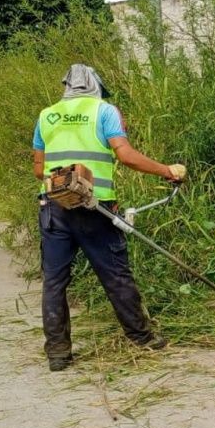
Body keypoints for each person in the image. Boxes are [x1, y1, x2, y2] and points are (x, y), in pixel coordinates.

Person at [32, 64, 186, 372]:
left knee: (54, 281)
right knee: (115, 274)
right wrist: (167, 171)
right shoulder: (104, 111)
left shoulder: (46, 115)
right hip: (95, 208)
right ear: (95, 87)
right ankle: (141, 337)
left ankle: (58, 353)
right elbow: (126, 155)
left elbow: (39, 169)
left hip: (54, 208)